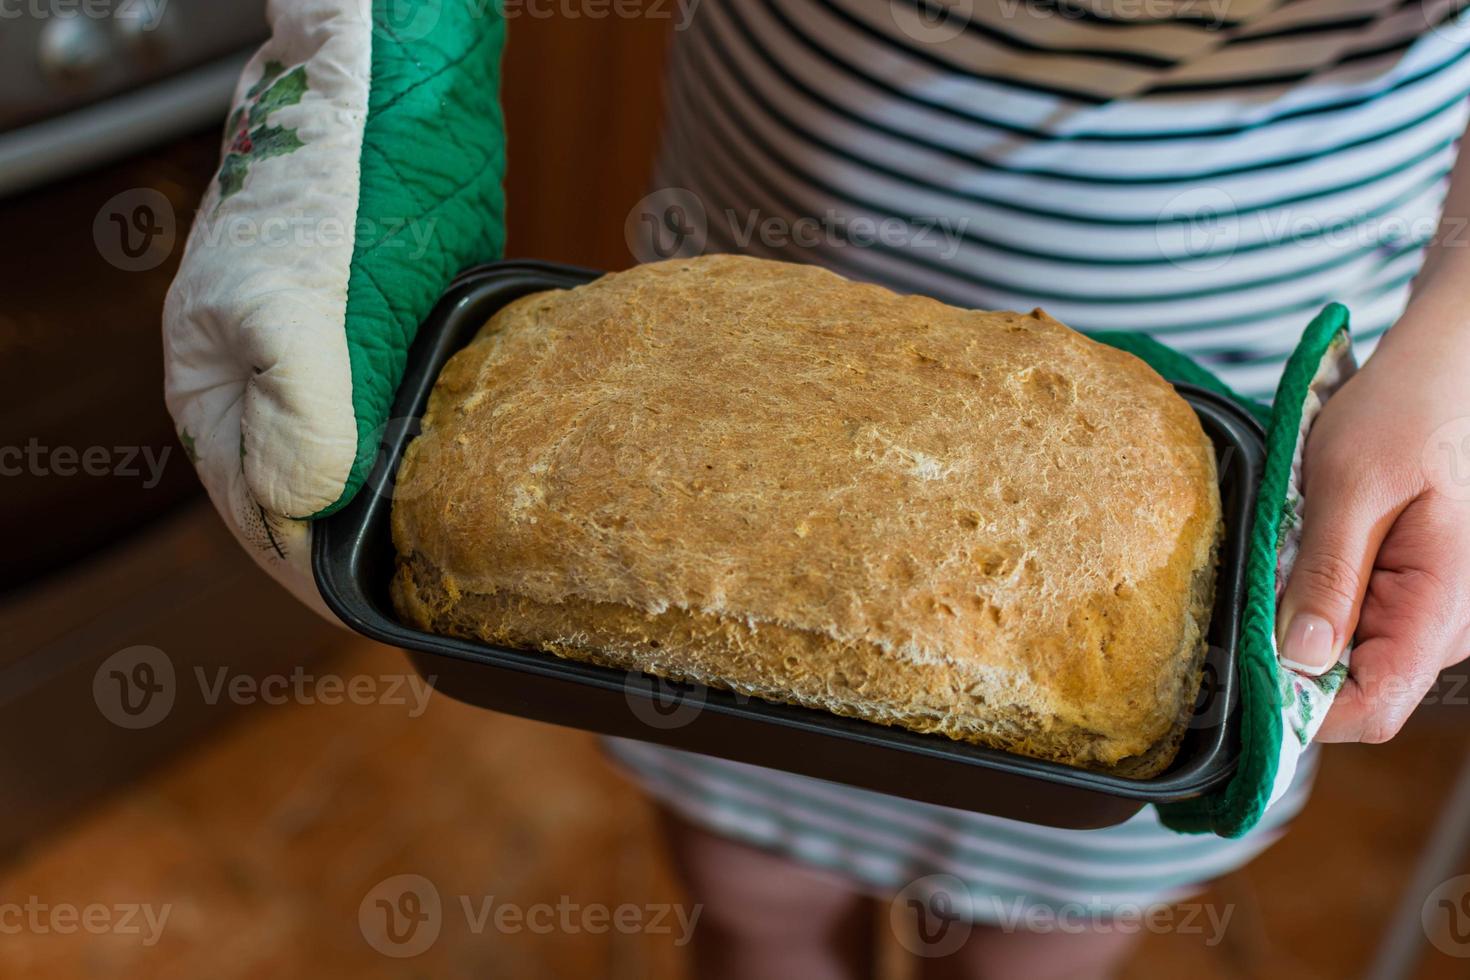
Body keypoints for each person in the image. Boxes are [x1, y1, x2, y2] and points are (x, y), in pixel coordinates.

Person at [163, 2, 1470, 977]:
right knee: (749, 895)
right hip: (720, 327)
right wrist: (390, 79)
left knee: (1038, 932)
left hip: (1221, 377)